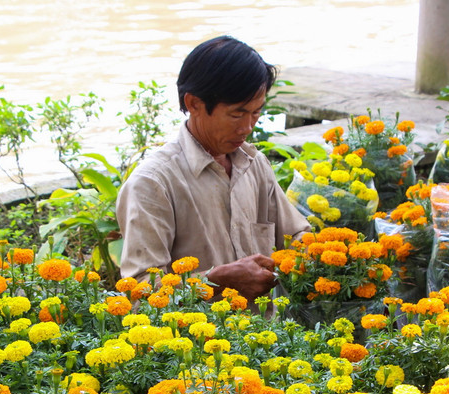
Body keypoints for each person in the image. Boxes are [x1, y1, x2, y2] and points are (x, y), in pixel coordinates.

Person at [116, 35, 310, 302]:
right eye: (237, 114)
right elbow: (139, 291)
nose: (247, 127)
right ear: (193, 104)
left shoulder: (254, 165)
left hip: (266, 328)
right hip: (197, 330)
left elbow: (297, 235)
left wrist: (316, 253)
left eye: (256, 113)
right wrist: (215, 281)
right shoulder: (153, 184)